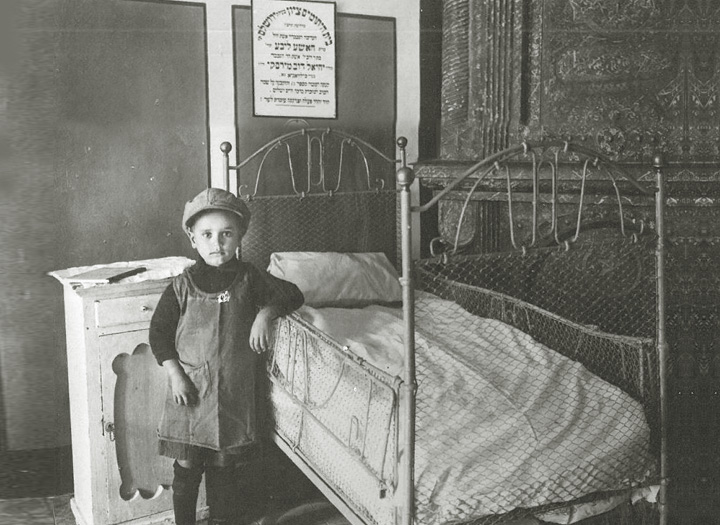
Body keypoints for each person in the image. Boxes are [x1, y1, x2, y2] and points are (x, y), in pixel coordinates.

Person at [149, 188, 304, 525]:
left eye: (226, 234)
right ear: (193, 238)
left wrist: (266, 312)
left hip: (231, 392)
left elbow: (293, 294)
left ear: (240, 236)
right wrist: (175, 373)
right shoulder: (182, 285)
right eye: (207, 234)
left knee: (224, 466)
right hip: (189, 390)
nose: (216, 242)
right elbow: (158, 334)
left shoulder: (251, 278)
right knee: (188, 464)